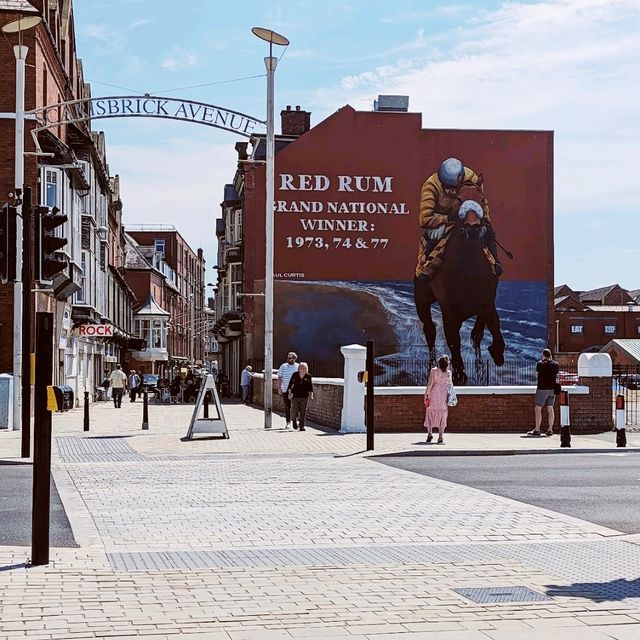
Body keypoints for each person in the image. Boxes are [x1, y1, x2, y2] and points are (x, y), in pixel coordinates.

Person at [416, 157, 503, 280]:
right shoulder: (430, 187)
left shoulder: (471, 179)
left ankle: (495, 262)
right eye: (447, 187)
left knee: (487, 231)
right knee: (435, 235)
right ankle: (427, 267)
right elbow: (424, 219)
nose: (451, 191)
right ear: (441, 182)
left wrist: (485, 221)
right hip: (442, 219)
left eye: (455, 187)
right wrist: (446, 219)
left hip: (466, 216)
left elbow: (481, 201)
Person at [528, 348, 560, 436]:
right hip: (552, 389)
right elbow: (557, 377)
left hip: (542, 388)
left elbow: (537, 375)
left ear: (543, 355)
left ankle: (537, 429)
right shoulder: (556, 364)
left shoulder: (540, 364)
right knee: (550, 408)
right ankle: (550, 429)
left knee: (538, 408)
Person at [423, 355, 452, 444]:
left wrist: (426, 394)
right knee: (442, 414)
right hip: (444, 395)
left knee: (430, 412)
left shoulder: (434, 371)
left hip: (434, 393)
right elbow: (450, 385)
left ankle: (429, 433)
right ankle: (440, 437)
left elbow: (430, 384)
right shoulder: (449, 373)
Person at [286, 362, 314, 432]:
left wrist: (311, 394)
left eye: (304, 368)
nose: (303, 369)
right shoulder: (295, 375)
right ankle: (294, 421)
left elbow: (310, 386)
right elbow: (290, 384)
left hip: (304, 396)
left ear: (306, 369)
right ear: (299, 368)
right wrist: (289, 393)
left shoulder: (308, 376)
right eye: (301, 367)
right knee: (295, 410)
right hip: (295, 395)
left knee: (303, 411)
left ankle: (302, 426)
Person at [277, 351, 299, 429]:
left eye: (290, 358)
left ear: (294, 358)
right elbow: (279, 377)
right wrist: (279, 387)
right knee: (287, 406)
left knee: (296, 406)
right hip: (285, 389)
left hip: (295, 390)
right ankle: (288, 422)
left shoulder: (298, 366)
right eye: (287, 357)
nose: (288, 359)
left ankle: (295, 421)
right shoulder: (283, 366)